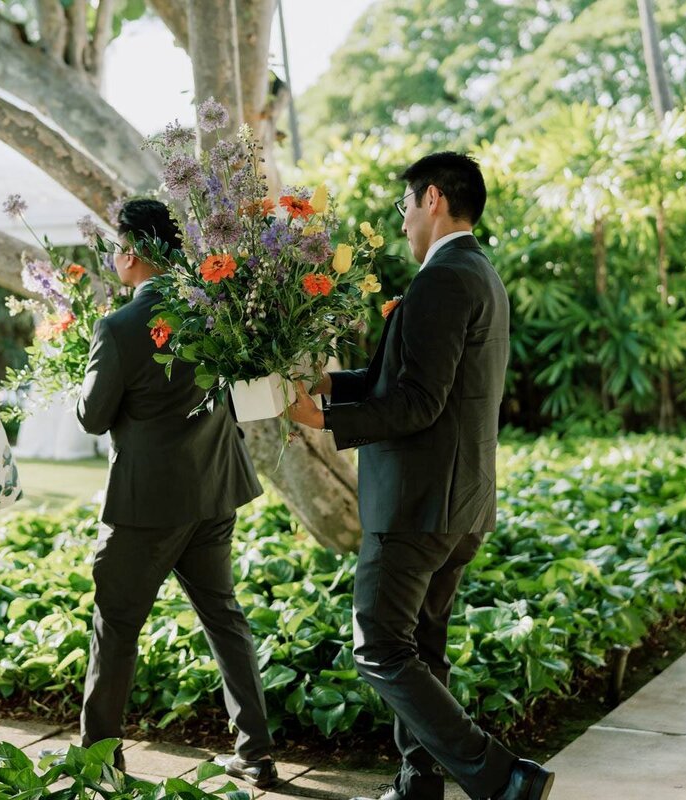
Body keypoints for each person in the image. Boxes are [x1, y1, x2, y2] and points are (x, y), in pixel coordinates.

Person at [287, 153, 553, 800]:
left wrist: (321, 418)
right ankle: (418, 782)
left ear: (431, 199)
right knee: (420, 650)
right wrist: (332, 383)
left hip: (417, 506)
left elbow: (418, 403)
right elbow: (415, 382)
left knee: (378, 646)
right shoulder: (477, 273)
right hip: (459, 504)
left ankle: (501, 776)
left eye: (406, 206)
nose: (403, 221)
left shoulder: (441, 281)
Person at [76, 198, 278, 787]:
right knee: (224, 616)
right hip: (214, 488)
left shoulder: (116, 328)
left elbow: (92, 416)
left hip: (146, 506)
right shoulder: (213, 310)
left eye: (116, 248)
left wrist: (78, 388)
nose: (115, 258)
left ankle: (100, 758)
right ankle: (257, 751)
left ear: (132, 253)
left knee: (115, 625)